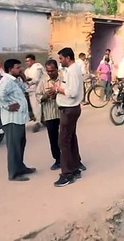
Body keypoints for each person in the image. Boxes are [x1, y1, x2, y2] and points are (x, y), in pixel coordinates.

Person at [0, 59, 35, 182]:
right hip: (12, 119)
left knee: (20, 144)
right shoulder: (6, 81)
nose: (20, 69)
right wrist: (8, 106)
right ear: (10, 69)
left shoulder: (14, 80)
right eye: (18, 68)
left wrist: (22, 77)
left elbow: (25, 89)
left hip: (19, 118)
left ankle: (20, 167)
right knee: (14, 146)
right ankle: (14, 173)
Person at [52, 47, 87, 187]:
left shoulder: (72, 70)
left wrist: (57, 89)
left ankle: (67, 174)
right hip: (70, 108)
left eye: (61, 58)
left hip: (69, 109)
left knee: (63, 142)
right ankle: (75, 168)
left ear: (67, 58)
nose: (60, 61)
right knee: (70, 138)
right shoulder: (72, 70)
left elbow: (72, 92)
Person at [36, 60, 62, 170]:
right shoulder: (43, 80)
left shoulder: (63, 78)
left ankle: (72, 158)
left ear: (57, 69)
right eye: (48, 71)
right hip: (49, 114)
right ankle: (58, 159)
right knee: (53, 138)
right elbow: (38, 95)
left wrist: (58, 95)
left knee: (67, 137)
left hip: (62, 112)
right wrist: (45, 96)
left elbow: (69, 92)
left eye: (52, 71)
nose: (50, 73)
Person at [25, 54, 45, 132]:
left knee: (37, 106)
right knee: (34, 107)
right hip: (31, 90)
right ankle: (39, 119)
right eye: (26, 61)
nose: (27, 63)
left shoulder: (38, 67)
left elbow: (36, 79)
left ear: (33, 60)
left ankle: (38, 122)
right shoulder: (27, 70)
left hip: (39, 90)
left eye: (28, 61)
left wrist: (30, 81)